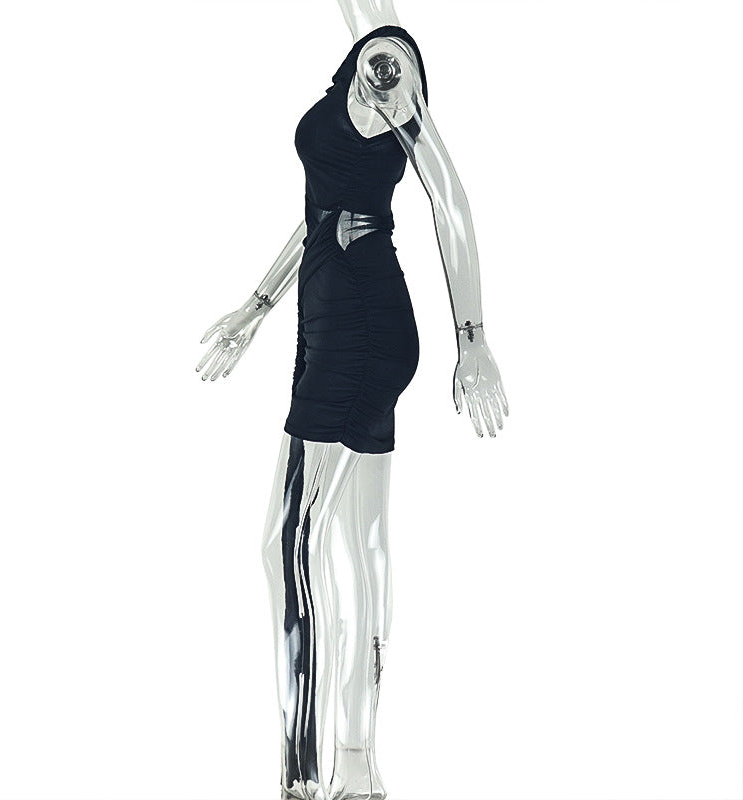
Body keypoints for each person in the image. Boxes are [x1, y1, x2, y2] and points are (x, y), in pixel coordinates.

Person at [195, 2, 508, 797]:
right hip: (335, 318)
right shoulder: (365, 52)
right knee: (359, 542)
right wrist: (256, 308)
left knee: (288, 543)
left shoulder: (386, 65)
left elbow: (450, 198)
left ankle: (301, 778)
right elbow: (325, 209)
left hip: (357, 329)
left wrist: (473, 337)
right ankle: (359, 771)